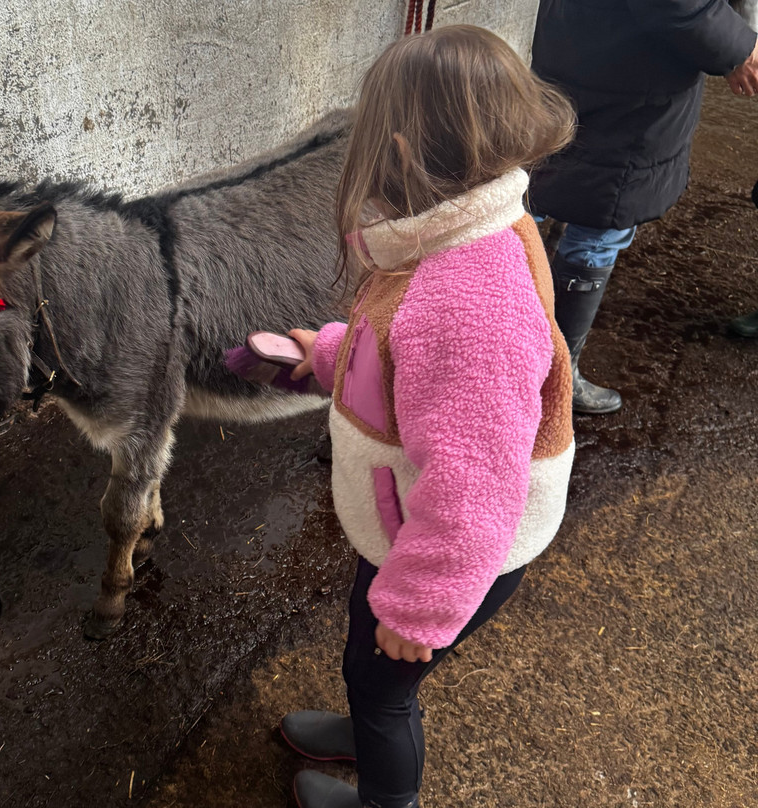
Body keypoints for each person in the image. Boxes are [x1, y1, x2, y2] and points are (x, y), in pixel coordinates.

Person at [276, 26, 577, 808]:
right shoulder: (466, 233)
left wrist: (423, 606)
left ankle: (383, 792)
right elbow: (410, 372)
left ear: (403, 152)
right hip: (414, 518)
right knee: (365, 662)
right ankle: (363, 715)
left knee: (388, 689)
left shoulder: (466, 302)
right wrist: (331, 355)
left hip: (449, 543)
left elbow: (474, 485)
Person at [529, 0, 758, 414]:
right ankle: (552, 376)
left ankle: (491, 344)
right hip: (633, 71)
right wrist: (737, 46)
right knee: (600, 215)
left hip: (584, 40)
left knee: (541, 186)